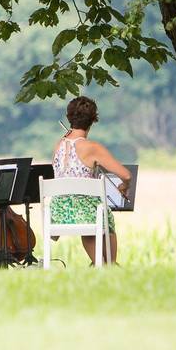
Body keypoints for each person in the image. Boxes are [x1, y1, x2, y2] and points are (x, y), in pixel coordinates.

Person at [51, 96, 131, 265]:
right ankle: (107, 263)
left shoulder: (58, 145)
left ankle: (100, 263)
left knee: (96, 212)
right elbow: (126, 175)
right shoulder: (91, 147)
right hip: (85, 212)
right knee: (102, 213)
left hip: (59, 211)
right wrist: (124, 186)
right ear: (93, 120)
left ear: (69, 117)